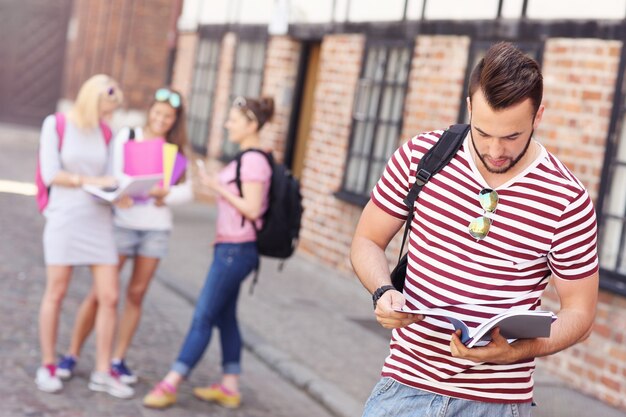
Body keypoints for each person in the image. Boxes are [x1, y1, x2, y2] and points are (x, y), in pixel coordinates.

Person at [350, 42, 599, 417]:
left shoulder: (567, 199)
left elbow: (580, 314)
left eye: (512, 136)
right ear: (469, 108)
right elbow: (367, 240)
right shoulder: (421, 156)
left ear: (538, 116)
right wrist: (383, 291)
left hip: (496, 405)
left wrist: (516, 351)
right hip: (403, 389)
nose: (495, 149)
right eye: (483, 132)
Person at [142, 96, 275, 410]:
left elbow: (253, 209)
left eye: (233, 119)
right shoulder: (248, 157)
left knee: (203, 315)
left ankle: (171, 382)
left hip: (236, 250)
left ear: (251, 125)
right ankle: (230, 385)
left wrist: (217, 187)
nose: (228, 124)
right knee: (225, 316)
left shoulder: (253, 160)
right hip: (230, 248)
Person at [56, 87, 193, 385]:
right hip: (122, 224)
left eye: (168, 116)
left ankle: (117, 359)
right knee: (101, 293)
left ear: (175, 119)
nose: (161, 120)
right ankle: (72, 353)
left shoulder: (176, 149)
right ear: (150, 112)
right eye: (157, 113)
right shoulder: (127, 137)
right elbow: (112, 174)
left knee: (136, 294)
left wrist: (165, 195)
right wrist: (121, 193)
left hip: (155, 228)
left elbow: (187, 190)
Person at [36, 74, 134, 399]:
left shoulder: (107, 133)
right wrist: (90, 180)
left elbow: (113, 176)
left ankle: (103, 371)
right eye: (109, 107)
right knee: (57, 292)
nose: (111, 114)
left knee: (109, 296)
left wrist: (122, 191)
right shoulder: (57, 124)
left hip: (98, 220)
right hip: (65, 217)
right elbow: (51, 173)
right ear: (94, 100)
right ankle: (48, 363)